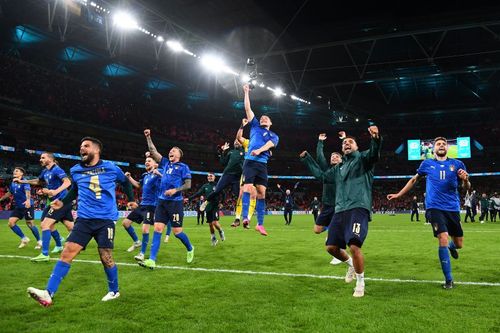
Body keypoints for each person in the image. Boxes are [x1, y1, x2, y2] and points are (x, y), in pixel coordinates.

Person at [27, 137, 136, 306]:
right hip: (84, 219)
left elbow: (125, 182)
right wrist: (63, 201)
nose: (82, 149)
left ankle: (114, 291)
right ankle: (48, 293)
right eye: (80, 147)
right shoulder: (76, 170)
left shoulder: (111, 167)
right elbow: (75, 189)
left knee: (105, 256)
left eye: (86, 146)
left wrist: (130, 199)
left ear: (97, 150)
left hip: (105, 220)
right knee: (67, 252)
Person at [387, 136, 470, 289]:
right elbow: (413, 180)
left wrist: (465, 180)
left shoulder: (457, 164)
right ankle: (449, 280)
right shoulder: (427, 163)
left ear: (447, 148)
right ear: (433, 149)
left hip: (452, 208)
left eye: (444, 144)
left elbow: (466, 188)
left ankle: (452, 248)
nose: (441, 145)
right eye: (438, 144)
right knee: (443, 237)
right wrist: (399, 194)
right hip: (434, 207)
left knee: (459, 244)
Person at [139, 129, 194, 269]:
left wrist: (175, 190)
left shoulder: (183, 167)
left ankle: (190, 248)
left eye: (174, 151)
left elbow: (188, 184)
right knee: (157, 228)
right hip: (162, 201)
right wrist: (148, 137)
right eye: (170, 150)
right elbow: (153, 150)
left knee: (177, 232)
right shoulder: (165, 163)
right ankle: (152, 260)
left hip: (175, 203)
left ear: (179, 155)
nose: (171, 152)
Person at [14, 153, 74, 261]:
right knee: (70, 227)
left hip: (61, 201)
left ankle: (45, 254)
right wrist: (22, 181)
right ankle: (61, 245)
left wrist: (55, 191)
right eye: (40, 157)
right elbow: (38, 181)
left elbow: (67, 182)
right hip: (54, 201)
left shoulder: (57, 169)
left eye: (43, 157)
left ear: (50, 159)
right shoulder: (45, 172)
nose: (40, 159)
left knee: (45, 224)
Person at [241, 84, 279, 236]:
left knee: (262, 193)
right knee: (247, 189)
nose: (263, 118)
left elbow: (270, 144)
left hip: (262, 164)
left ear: (270, 123)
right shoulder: (255, 126)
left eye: (266, 118)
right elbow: (248, 109)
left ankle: (260, 224)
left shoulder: (274, 135)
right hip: (250, 161)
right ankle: (245, 217)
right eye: (262, 117)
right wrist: (246, 93)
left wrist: (260, 150)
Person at [122, 154, 162, 261]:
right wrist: (129, 177)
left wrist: (159, 172)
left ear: (155, 164)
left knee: (145, 229)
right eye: (146, 161)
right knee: (125, 223)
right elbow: (139, 186)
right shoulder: (145, 175)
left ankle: (142, 253)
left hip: (152, 206)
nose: (146, 162)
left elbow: (167, 181)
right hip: (142, 205)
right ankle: (137, 242)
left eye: (149, 160)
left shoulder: (158, 173)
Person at [0, 167, 41, 249]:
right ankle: (24, 238)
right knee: (11, 223)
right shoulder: (13, 182)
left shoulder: (24, 181)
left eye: (17, 171)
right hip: (19, 207)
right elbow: (10, 192)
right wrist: (1, 199)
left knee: (30, 224)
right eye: (14, 171)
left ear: (21, 173)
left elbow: (27, 192)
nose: (14, 172)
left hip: (27, 205)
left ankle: (39, 241)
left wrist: (28, 200)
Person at [201, 139, 244, 217]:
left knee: (238, 195)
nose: (236, 142)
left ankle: (239, 216)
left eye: (238, 141)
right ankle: (206, 201)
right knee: (216, 190)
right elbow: (223, 162)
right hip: (227, 175)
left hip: (237, 177)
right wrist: (223, 152)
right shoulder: (231, 152)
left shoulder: (245, 152)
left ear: (242, 143)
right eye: (235, 141)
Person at [232, 118, 257, 227]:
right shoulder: (248, 142)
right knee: (241, 194)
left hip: (257, 172)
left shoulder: (262, 144)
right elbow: (238, 137)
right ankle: (237, 218)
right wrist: (242, 125)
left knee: (253, 195)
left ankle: (247, 220)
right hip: (247, 171)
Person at [189, 173, 225, 246]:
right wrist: (190, 198)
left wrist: (222, 202)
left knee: (215, 223)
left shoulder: (218, 185)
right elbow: (198, 193)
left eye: (211, 176)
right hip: (208, 206)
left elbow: (223, 194)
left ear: (214, 177)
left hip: (215, 206)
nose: (209, 177)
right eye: (208, 176)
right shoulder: (205, 186)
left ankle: (221, 231)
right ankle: (213, 239)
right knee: (210, 224)